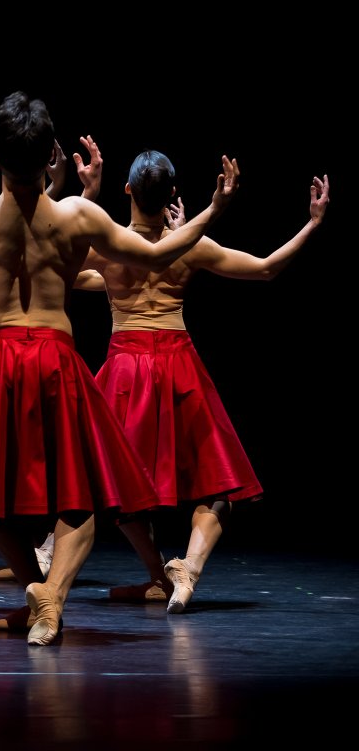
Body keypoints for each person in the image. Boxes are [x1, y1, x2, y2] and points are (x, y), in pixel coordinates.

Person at [0, 91, 240, 645]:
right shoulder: (79, 214)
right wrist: (214, 207)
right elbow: (157, 255)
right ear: (51, 156)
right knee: (79, 496)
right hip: (53, 358)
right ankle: (50, 599)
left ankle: (38, 592)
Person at [80, 149, 328, 612]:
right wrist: (312, 222)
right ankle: (186, 571)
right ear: (173, 195)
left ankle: (160, 573)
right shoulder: (191, 246)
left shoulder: (105, 244)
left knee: (118, 488)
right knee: (218, 485)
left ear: (128, 190)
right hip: (178, 364)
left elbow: (61, 272)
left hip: (126, 368)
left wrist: (87, 199)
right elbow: (266, 267)